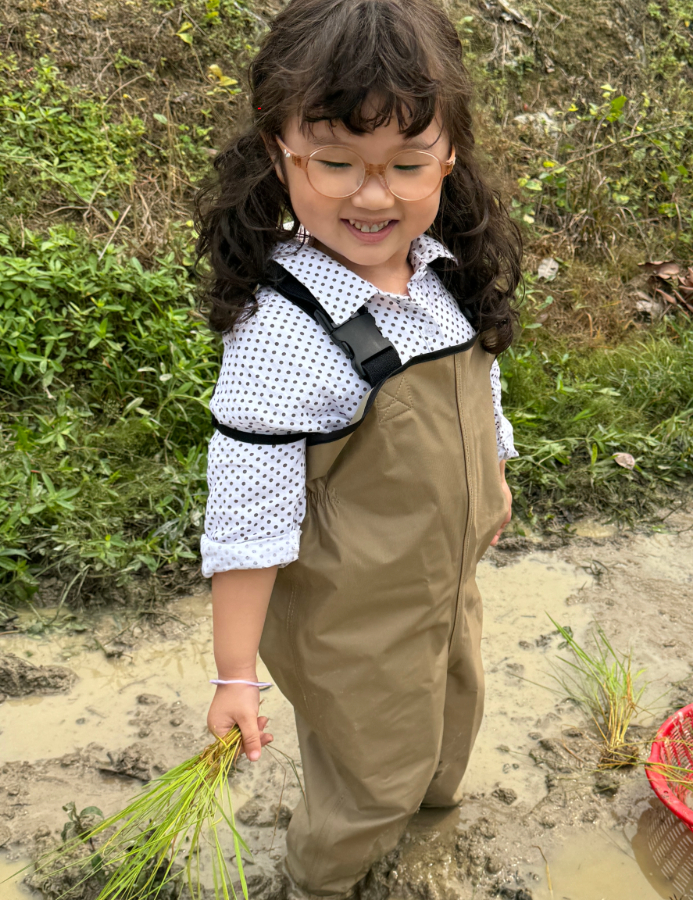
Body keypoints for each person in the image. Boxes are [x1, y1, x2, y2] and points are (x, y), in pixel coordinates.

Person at [193, 0, 523, 895]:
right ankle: (322, 878)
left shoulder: (440, 269)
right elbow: (247, 518)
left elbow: (477, 386)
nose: (371, 196)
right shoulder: (285, 333)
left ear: (447, 158)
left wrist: (490, 473)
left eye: (405, 167)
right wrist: (236, 678)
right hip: (351, 620)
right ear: (279, 152)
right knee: (369, 778)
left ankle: (428, 823)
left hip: (443, 588)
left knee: (453, 722)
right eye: (335, 163)